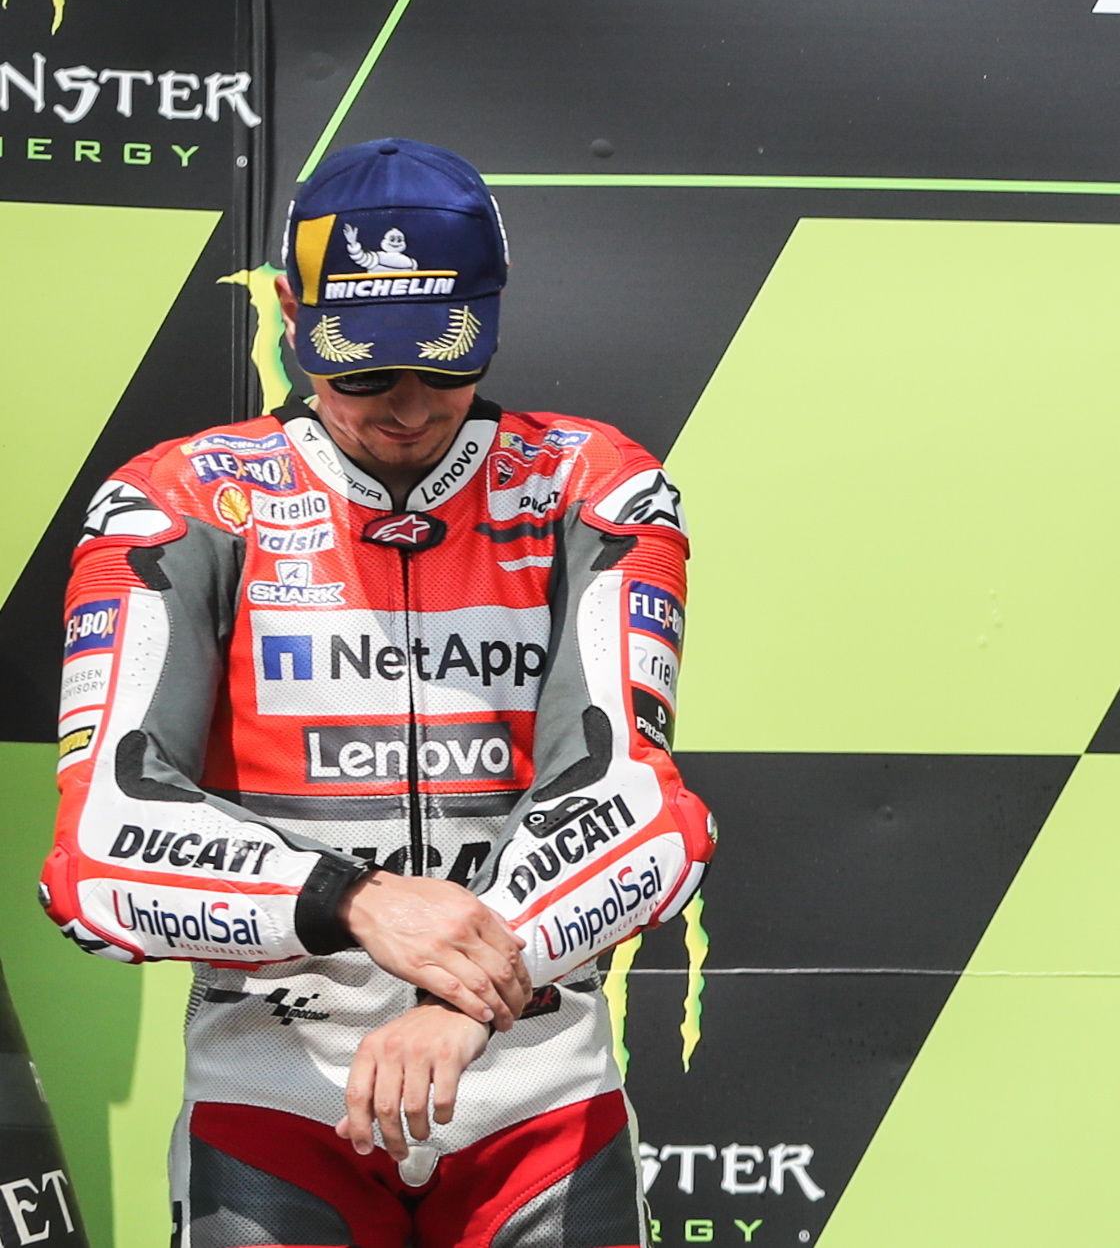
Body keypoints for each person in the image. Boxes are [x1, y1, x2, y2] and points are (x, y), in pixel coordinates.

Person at [41, 139, 710, 1248]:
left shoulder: (591, 486)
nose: (405, 409)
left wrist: (463, 996)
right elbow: (96, 855)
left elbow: (648, 815)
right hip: (278, 1105)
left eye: (442, 366)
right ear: (292, 316)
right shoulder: (180, 502)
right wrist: (355, 901)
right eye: (359, 373)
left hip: (537, 1100)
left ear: (491, 315)